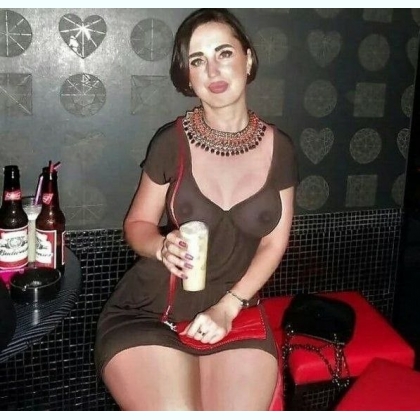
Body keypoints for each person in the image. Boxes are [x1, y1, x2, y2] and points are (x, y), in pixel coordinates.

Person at [94, 8, 298, 410]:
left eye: (224, 53)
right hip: (150, 313)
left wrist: (229, 306)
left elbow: (274, 243)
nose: (213, 70)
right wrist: (160, 246)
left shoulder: (282, 149)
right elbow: (137, 224)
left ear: (248, 59)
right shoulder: (170, 142)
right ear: (188, 77)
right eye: (197, 60)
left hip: (234, 310)